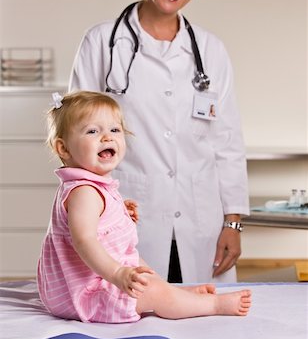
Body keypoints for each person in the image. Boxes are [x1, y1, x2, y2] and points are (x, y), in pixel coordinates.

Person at [69, 0, 250, 284]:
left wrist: (232, 222)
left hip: (200, 221)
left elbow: (226, 142)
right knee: (130, 322)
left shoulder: (210, 51)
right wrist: (86, 214)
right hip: (125, 215)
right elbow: (77, 138)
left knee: (204, 326)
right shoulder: (103, 42)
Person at [37, 91, 252, 323]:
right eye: (92, 131)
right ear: (64, 149)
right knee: (150, 290)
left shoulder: (90, 186)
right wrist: (117, 274)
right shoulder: (85, 192)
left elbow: (92, 221)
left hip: (88, 284)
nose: (107, 138)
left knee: (143, 273)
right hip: (84, 293)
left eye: (115, 130)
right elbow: (84, 240)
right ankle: (212, 304)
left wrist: (117, 212)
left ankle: (175, 294)